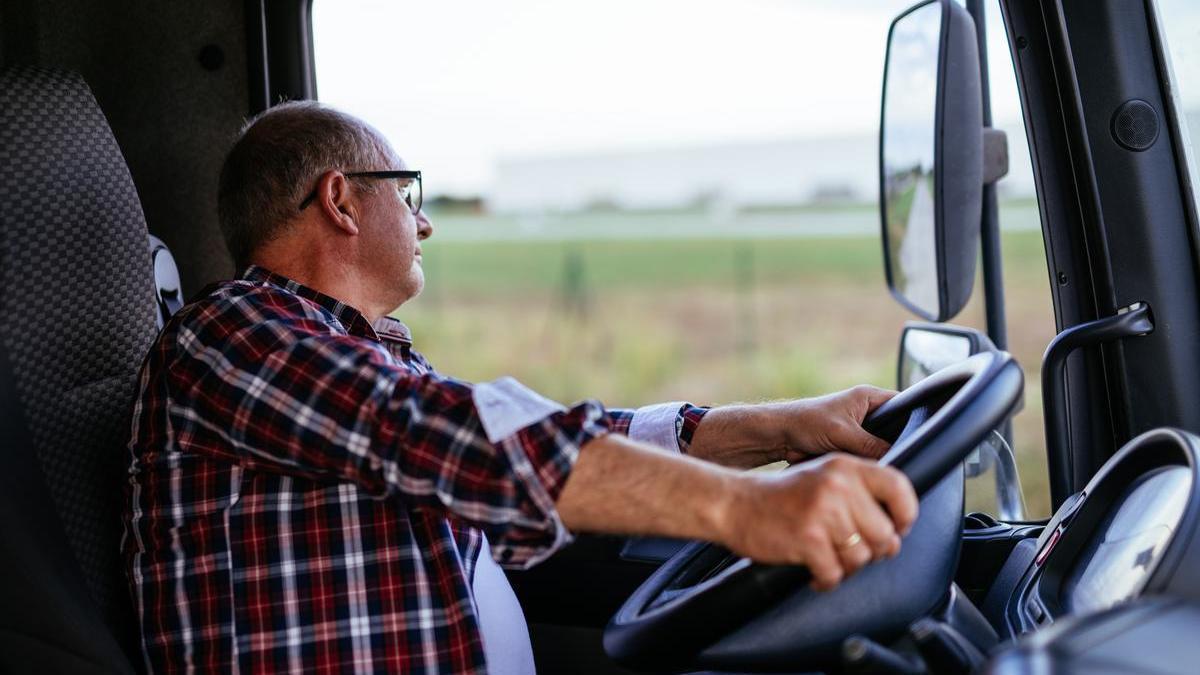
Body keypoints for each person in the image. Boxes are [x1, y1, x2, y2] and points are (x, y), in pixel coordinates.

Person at [122, 101, 918, 674]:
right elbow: (470, 441)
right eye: (406, 193)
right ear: (340, 199)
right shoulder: (230, 335)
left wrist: (785, 428)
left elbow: (541, 434)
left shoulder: (359, 356)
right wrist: (751, 510)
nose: (424, 223)